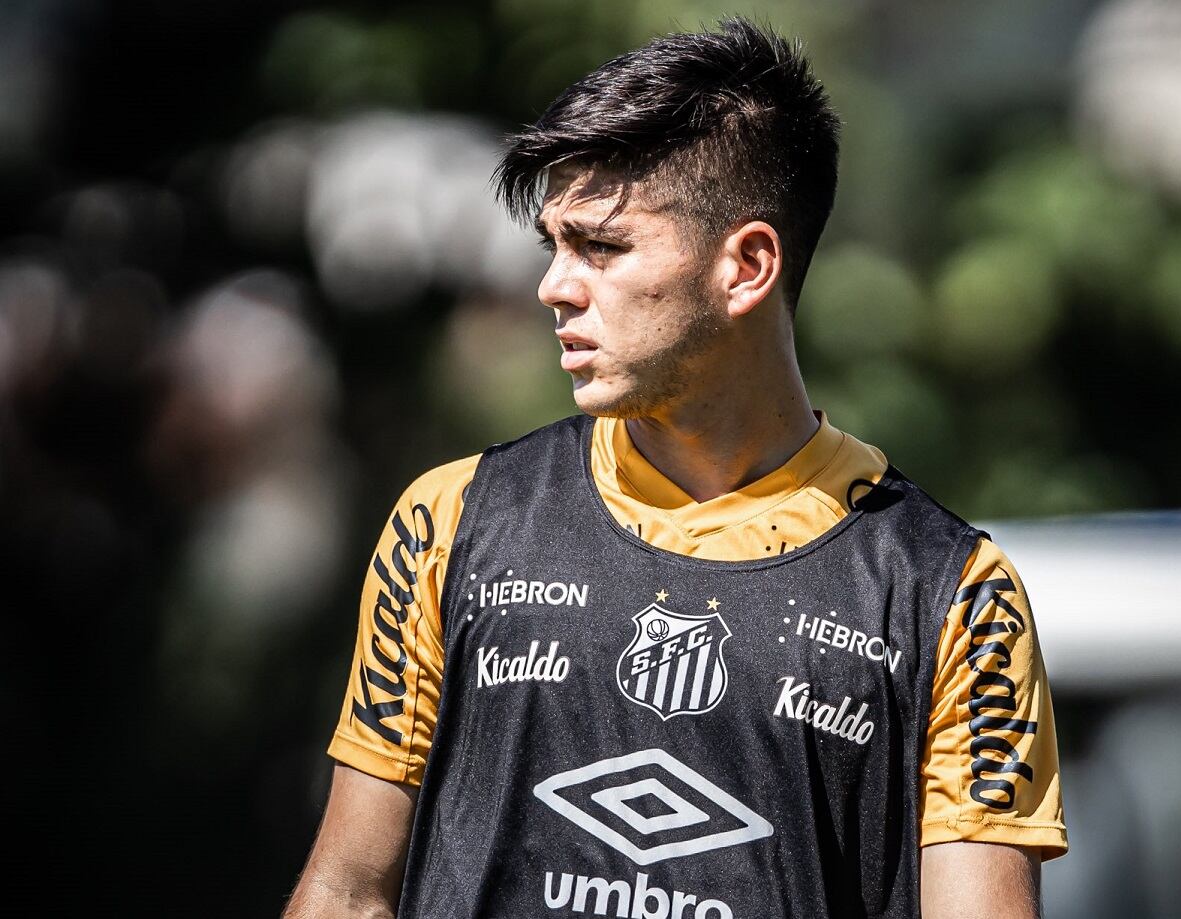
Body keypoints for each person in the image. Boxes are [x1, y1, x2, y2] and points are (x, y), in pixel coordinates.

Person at [283, 18, 1067, 919]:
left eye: (602, 248)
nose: (555, 286)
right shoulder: (450, 523)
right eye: (555, 244)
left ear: (747, 267)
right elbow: (345, 893)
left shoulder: (953, 594)